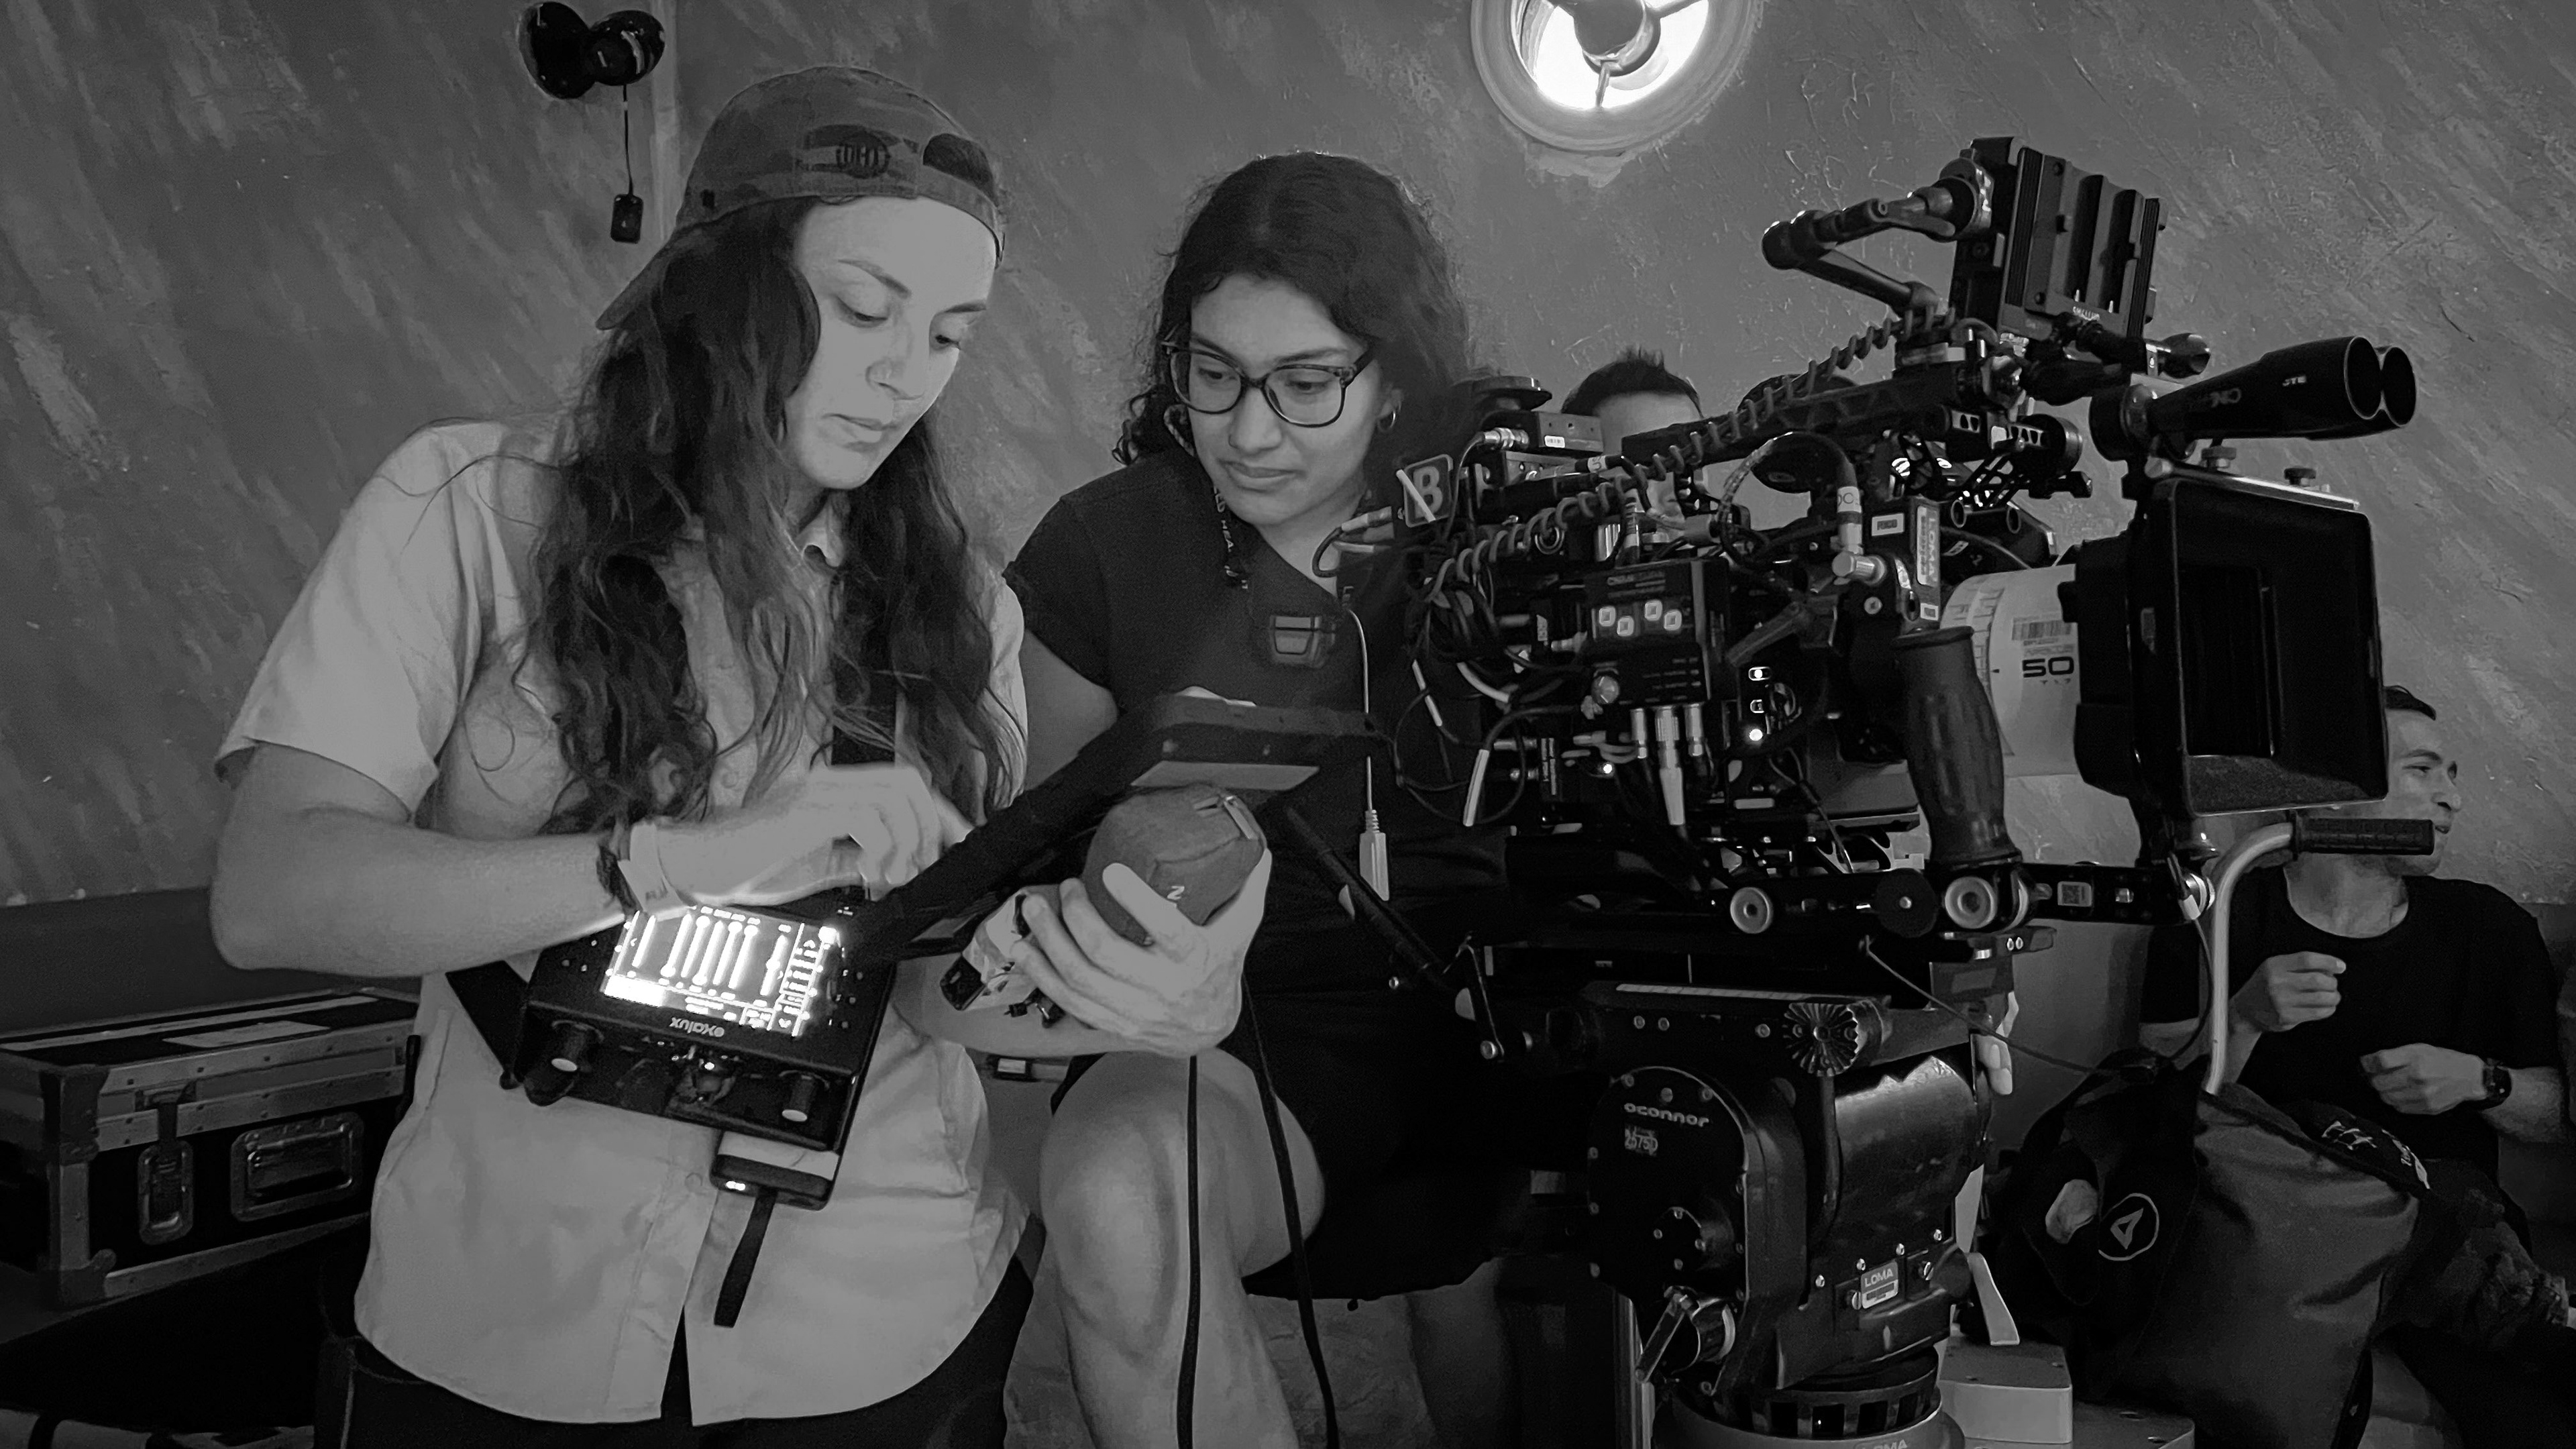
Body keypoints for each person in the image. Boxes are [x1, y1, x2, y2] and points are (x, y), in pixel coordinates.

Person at [208, 67, 1264, 1447]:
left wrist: (1152, 1002)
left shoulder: (966, 610)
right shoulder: (464, 509)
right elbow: (273, 896)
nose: (907, 372)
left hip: (878, 1331)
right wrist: (679, 861)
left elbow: (936, 986)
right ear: (723, 282)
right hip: (503, 1308)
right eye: (865, 308)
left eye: (950, 334)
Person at [1005, 152, 1565, 1449]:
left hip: (1465, 1028)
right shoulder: (1104, 546)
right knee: (1115, 1192)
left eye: (1306, 385)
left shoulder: (1506, 530)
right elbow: (1035, 848)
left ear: (1394, 376)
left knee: (1459, 1332)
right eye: (1212, 375)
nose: (1250, 433)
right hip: (1206, 1041)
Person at [2137, 684, 2574, 1444]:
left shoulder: (2488, 928)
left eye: (2452, 776)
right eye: (2423, 771)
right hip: (2278, 1224)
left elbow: (2553, 1116)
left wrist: (2480, 1081)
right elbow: (2150, 1112)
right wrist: (2243, 1019)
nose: (2452, 799)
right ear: (2330, 792)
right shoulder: (2217, 912)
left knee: (2531, 1413)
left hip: (2442, 1230)